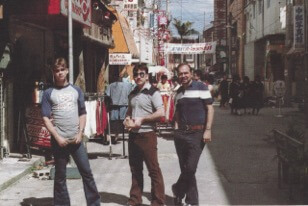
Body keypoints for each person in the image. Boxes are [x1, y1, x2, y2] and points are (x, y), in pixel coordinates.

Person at [41, 58, 100, 206]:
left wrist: (80, 133)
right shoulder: (48, 93)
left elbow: (82, 113)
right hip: (59, 141)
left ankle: (94, 203)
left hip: (76, 140)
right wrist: (57, 137)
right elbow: (46, 118)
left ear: (67, 70)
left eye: (62, 69)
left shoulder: (76, 90)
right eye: (57, 70)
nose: (60, 73)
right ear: (53, 73)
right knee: (60, 176)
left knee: (86, 173)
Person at [172, 63, 214, 206]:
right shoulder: (178, 92)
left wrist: (208, 129)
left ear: (191, 73)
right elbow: (177, 113)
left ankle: (178, 189)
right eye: (180, 74)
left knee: (190, 167)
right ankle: (192, 201)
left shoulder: (201, 87)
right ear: (178, 75)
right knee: (186, 168)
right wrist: (176, 129)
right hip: (181, 133)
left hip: (197, 133)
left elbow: (210, 109)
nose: (183, 76)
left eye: (186, 73)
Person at [123, 64, 165, 206]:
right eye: (136, 74)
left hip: (147, 135)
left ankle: (158, 201)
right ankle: (135, 199)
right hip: (133, 135)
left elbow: (161, 113)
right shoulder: (133, 93)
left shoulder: (154, 92)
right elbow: (129, 111)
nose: (138, 77)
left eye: (141, 74)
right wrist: (127, 119)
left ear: (147, 76)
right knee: (135, 169)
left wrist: (143, 119)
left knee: (153, 169)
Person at [106, 75, 133, 144]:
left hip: (114, 105)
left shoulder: (111, 85)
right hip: (124, 104)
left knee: (114, 122)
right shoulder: (127, 85)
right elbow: (131, 93)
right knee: (125, 120)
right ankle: (129, 135)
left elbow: (107, 94)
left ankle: (115, 135)